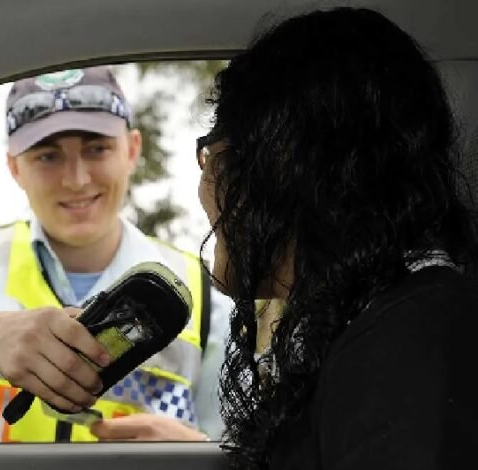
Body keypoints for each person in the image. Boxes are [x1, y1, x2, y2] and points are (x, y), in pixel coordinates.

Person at [0, 66, 233, 443]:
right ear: (15, 167)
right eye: (47, 156)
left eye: (97, 149)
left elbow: (239, 446)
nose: (76, 179)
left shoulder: (203, 291)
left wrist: (197, 454)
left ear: (132, 150)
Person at [196, 6, 478, 469]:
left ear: (276, 166)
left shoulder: (408, 346)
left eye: (211, 154)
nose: (206, 187)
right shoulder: (369, 326)